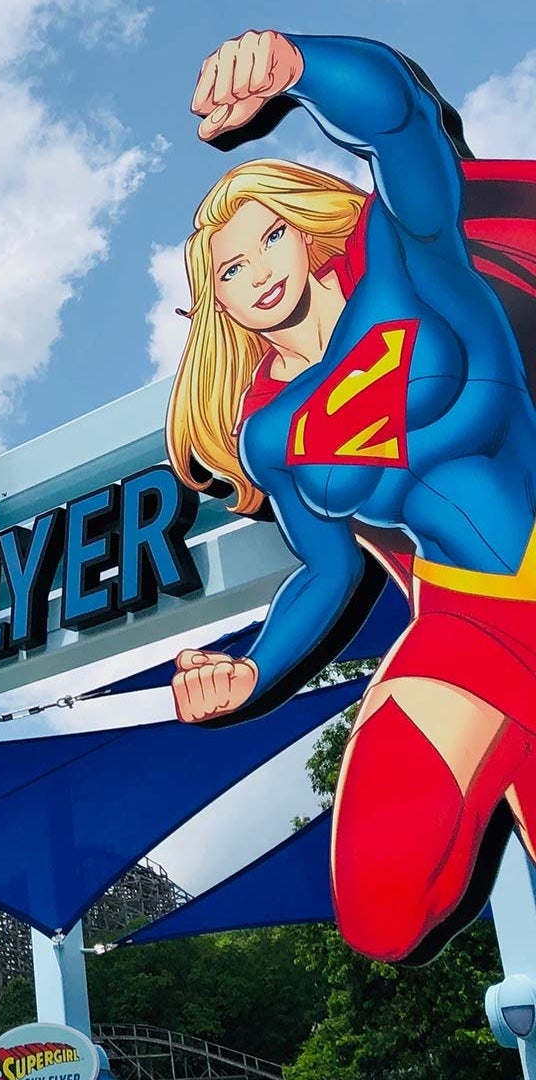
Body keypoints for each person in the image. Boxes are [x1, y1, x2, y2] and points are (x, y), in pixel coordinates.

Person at [163, 31, 536, 966]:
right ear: (219, 306)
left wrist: (293, 64)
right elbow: (327, 573)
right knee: (380, 902)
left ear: (305, 224)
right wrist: (252, 671)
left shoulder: (406, 257)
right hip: (470, 630)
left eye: (270, 236)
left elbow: (399, 118)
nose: (260, 272)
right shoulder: (269, 428)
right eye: (231, 271)